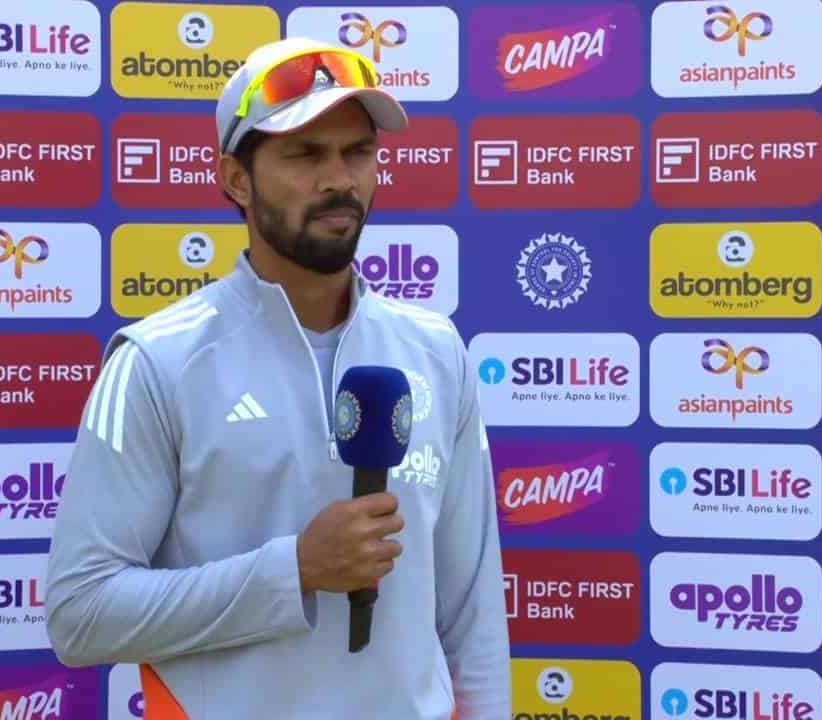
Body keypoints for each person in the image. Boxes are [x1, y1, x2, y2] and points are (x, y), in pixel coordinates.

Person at [44, 36, 511, 719]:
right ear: (237, 178)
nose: (339, 180)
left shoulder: (436, 351)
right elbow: (81, 613)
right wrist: (294, 571)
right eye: (305, 154)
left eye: (358, 152)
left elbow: (473, 614)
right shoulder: (156, 361)